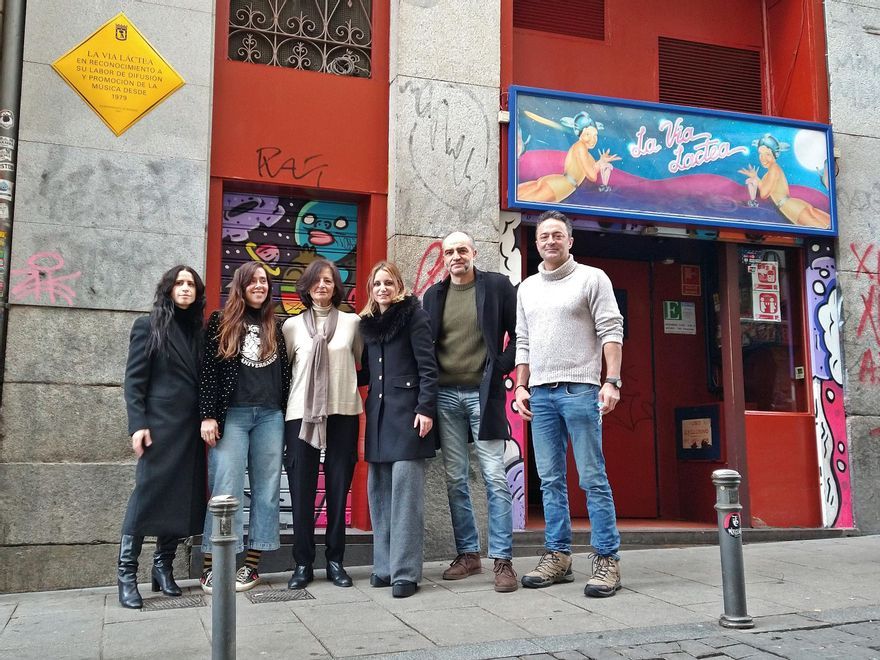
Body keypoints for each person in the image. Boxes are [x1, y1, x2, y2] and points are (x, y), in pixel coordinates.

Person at [514, 210, 625, 598]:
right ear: (537, 242)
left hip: (581, 390)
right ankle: (558, 557)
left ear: (570, 241)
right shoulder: (526, 287)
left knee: (592, 478)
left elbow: (612, 329)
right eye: (543, 236)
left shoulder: (592, 278)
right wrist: (521, 386)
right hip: (540, 395)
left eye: (557, 235)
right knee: (550, 481)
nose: (549, 241)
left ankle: (606, 560)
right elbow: (523, 340)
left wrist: (611, 381)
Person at [422, 231, 519, 593]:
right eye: (449, 251)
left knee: (494, 476)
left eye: (462, 249)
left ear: (474, 252)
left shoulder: (497, 286)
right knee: (455, 479)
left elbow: (519, 332)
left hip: (484, 394)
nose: (456, 256)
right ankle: (468, 554)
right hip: (445, 397)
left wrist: (502, 366)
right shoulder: (433, 295)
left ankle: (503, 560)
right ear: (443, 258)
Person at [118, 265, 207, 609]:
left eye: (191, 285)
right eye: (179, 283)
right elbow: (134, 381)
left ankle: (163, 567)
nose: (185, 289)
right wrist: (137, 424)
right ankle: (126, 573)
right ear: (168, 288)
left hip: (189, 429)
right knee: (146, 498)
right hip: (158, 427)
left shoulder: (199, 332)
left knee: (180, 498)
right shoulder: (147, 326)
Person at [199, 262, 290, 593]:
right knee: (226, 491)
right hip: (232, 416)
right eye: (252, 280)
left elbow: (285, 375)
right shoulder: (221, 323)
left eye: (264, 281)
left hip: (269, 416)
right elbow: (208, 371)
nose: (259, 285)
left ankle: (251, 566)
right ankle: (214, 564)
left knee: (267, 492)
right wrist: (208, 415)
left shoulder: (274, 325)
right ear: (240, 285)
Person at [359, 261, 438, 598]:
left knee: (405, 499)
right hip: (378, 418)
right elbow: (367, 373)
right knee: (379, 495)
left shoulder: (414, 317)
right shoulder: (368, 325)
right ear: (370, 289)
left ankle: (406, 573)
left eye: (388, 283)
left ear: (399, 286)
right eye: (377, 284)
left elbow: (428, 367)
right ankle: (384, 566)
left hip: (408, 418)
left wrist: (425, 409)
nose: (382, 289)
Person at [282, 259, 363, 590]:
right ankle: (302, 563)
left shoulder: (352, 323)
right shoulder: (290, 327)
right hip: (301, 415)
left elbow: (362, 363)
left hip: (343, 411)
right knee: (301, 491)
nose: (322, 286)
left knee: (337, 490)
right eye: (316, 281)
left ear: (336, 286)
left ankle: (335, 560)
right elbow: (286, 371)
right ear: (307, 286)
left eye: (328, 281)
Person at [517, 110, 621, 203]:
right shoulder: (581, 147)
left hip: (558, 184)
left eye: (595, 135)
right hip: (560, 186)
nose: (592, 139)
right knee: (522, 200)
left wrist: (601, 162)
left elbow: (593, 171)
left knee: (520, 194)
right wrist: (600, 163)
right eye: (588, 134)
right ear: (580, 134)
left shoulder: (585, 153)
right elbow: (592, 176)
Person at [738, 134, 831, 229]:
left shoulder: (773, 169)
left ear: (775, 155)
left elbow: (764, 194)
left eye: (767, 154)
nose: (763, 158)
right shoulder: (771, 171)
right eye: (760, 154)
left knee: (820, 227)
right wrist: (756, 178)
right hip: (793, 204)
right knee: (823, 221)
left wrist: (756, 178)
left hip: (790, 207)